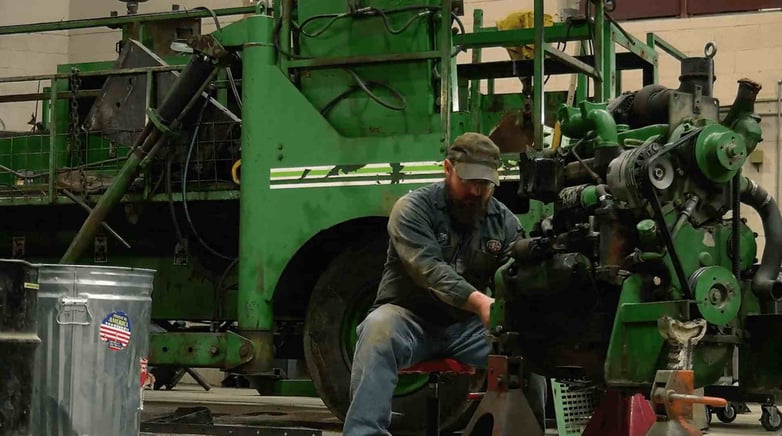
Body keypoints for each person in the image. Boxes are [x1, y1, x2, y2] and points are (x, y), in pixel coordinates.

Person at [343, 132, 547, 435]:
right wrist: (480, 302)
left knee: (527, 345)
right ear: (447, 169)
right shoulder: (413, 209)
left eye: (485, 184)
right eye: (469, 181)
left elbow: (514, 276)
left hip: (466, 328)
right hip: (409, 321)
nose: (477, 191)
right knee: (377, 330)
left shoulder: (503, 222)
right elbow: (429, 270)